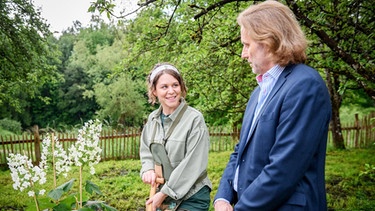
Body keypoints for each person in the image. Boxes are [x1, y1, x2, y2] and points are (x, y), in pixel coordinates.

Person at [214, 1, 332, 210]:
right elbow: (240, 152)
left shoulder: (305, 86)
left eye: (247, 45)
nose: (243, 54)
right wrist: (223, 197)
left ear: (268, 42)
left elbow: (283, 170)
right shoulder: (260, 90)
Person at [140, 62, 212, 211]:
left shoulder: (194, 119)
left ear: (181, 87)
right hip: (164, 196)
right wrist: (148, 169)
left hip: (192, 195)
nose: (171, 91)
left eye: (175, 85)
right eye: (164, 87)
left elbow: (193, 164)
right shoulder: (152, 119)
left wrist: (164, 193)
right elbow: (146, 150)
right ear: (154, 91)